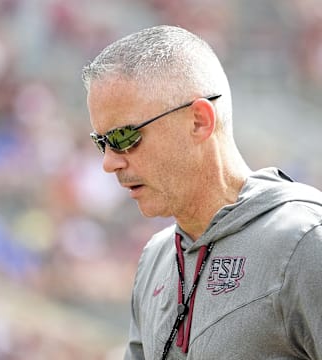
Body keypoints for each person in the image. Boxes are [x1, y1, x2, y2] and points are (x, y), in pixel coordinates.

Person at [81, 25, 322, 360]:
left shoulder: (305, 241)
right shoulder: (156, 257)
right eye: (102, 142)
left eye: (124, 137)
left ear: (199, 121)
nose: (109, 163)